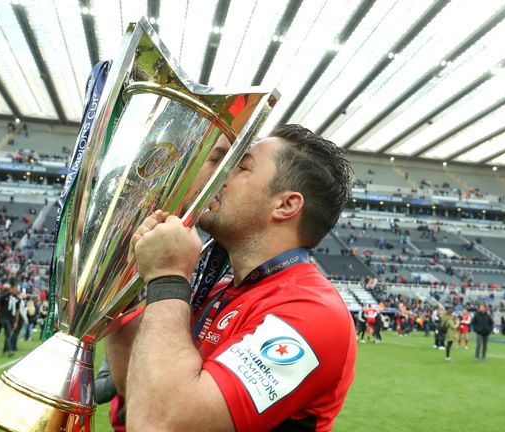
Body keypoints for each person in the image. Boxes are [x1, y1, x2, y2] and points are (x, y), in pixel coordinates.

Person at [107, 124, 356, 431]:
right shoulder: (219, 292)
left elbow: (161, 423)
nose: (221, 176)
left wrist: (167, 274)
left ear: (285, 205)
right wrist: (128, 279)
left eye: (241, 167)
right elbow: (139, 390)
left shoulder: (314, 312)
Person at [0, 284, 21, 357]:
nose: (16, 291)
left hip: (12, 319)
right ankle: (8, 351)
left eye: (16, 289)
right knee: (7, 333)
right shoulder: (3, 296)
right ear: (11, 289)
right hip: (3, 318)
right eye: (14, 289)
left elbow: (18, 312)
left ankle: (4, 351)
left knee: (8, 335)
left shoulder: (18, 299)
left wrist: (16, 322)